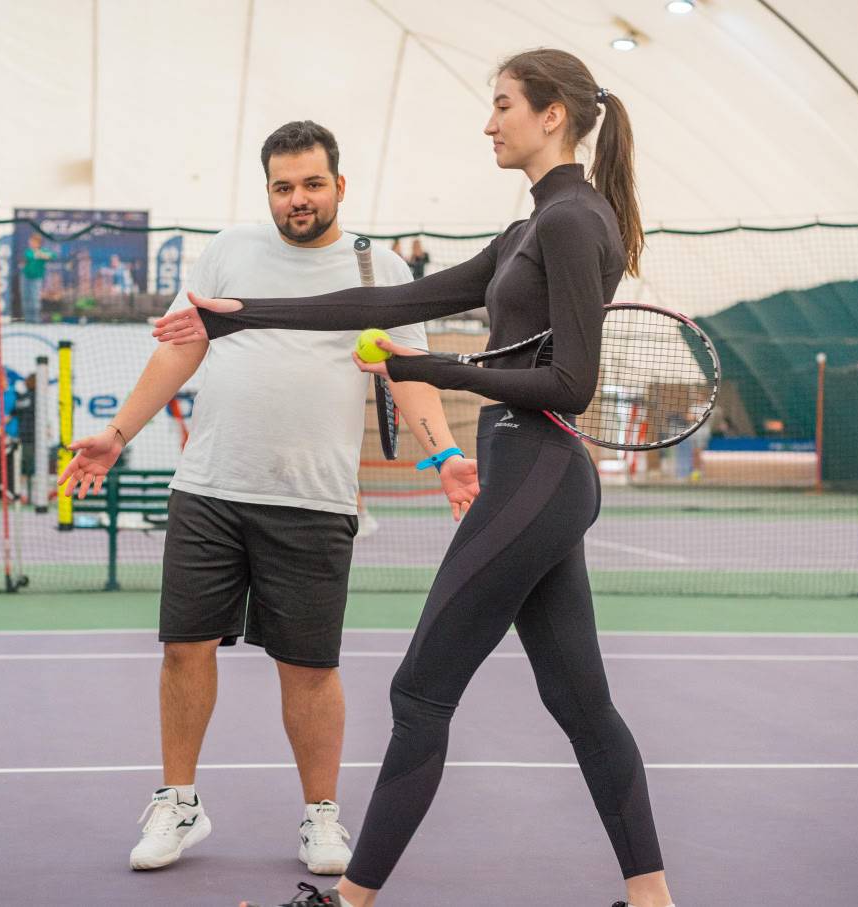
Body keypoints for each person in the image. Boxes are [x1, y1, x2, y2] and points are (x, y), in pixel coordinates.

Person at [155, 49, 675, 907]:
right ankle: (653, 898)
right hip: (532, 477)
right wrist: (242, 316)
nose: (488, 122)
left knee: (420, 692)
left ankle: (349, 900)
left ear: (551, 115)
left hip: (537, 473)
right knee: (582, 704)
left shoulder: (573, 220)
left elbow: (571, 384)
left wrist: (436, 368)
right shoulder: (532, 227)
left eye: (503, 104)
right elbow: (390, 304)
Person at [57, 121, 478, 881]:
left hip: (314, 500)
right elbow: (182, 346)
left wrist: (445, 456)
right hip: (209, 487)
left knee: (308, 667)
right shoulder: (229, 250)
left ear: (339, 186)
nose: (297, 199)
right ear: (268, 192)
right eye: (283, 187)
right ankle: (179, 802)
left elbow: (408, 374)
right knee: (184, 648)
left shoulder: (380, 269)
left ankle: (321, 815)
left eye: (312, 184)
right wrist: (117, 435)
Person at [20, 234, 52, 323]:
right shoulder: (28, 251)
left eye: (33, 241)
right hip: (25, 277)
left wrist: (40, 254)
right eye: (30, 241)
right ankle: (28, 320)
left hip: (36, 279)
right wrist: (40, 255)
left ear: (38, 243)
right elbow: (30, 255)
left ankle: (35, 320)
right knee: (26, 299)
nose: (31, 243)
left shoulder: (44, 250)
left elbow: (52, 255)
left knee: (35, 299)